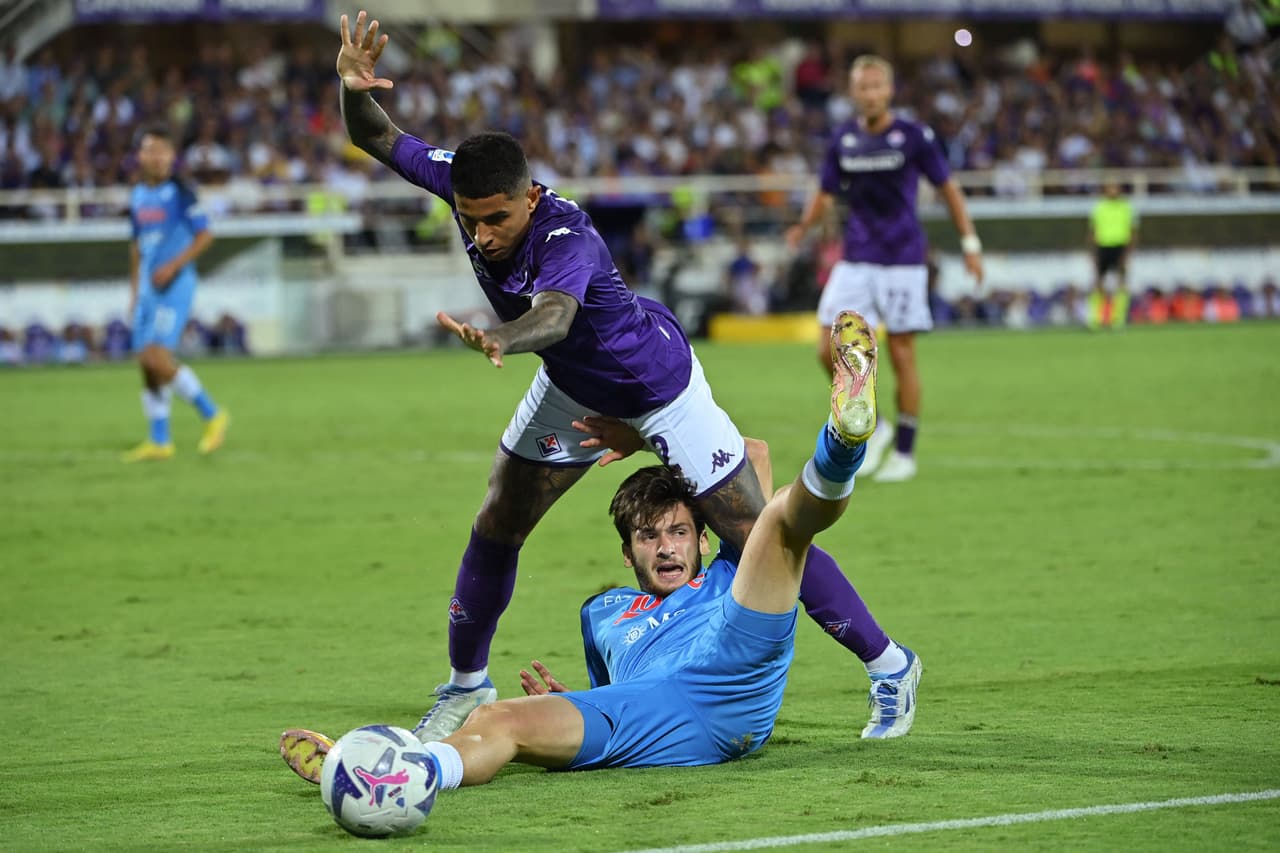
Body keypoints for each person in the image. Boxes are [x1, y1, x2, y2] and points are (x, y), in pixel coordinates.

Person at [334, 11, 919, 744]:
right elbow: (377, 136)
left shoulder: (564, 236)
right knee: (498, 516)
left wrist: (499, 338)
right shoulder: (465, 181)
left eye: (494, 219)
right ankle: (464, 684)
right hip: (576, 386)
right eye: (469, 218)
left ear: (530, 197)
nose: (480, 232)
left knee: (757, 537)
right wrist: (354, 86)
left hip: (657, 388)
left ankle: (891, 665)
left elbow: (552, 317)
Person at [281, 309, 920, 787]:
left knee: (777, 519)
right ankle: (387, 777)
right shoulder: (604, 612)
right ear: (627, 554)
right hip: (652, 714)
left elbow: (749, 456)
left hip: (731, 674)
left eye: (677, 532)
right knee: (503, 720)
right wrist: (570, 706)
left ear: (701, 537)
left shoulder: (725, 570)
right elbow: (612, 693)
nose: (667, 549)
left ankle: (844, 439)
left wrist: (647, 439)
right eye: (649, 537)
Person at [787, 55, 984, 484]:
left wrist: (970, 243)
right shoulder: (843, 140)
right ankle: (877, 423)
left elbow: (948, 189)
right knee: (826, 348)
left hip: (902, 261)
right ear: (853, 93)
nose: (870, 93)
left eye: (877, 86)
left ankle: (906, 453)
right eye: (863, 87)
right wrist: (803, 226)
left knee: (901, 354)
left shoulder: (913, 137)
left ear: (889, 90)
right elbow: (823, 193)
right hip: (856, 258)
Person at [121, 126, 229, 462]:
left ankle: (212, 414)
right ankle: (160, 440)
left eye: (163, 151)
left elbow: (205, 235)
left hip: (176, 284)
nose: (157, 157)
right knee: (145, 363)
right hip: (150, 289)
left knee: (157, 357)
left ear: (172, 157)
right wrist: (135, 290)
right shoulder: (138, 195)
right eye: (150, 151)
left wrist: (174, 266)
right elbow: (137, 247)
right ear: (140, 156)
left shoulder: (181, 192)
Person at [1086, 181, 1138, 331]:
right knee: (1098, 283)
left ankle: (1118, 319)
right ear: (1105, 190)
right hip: (1103, 246)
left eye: (1115, 188)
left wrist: (1128, 252)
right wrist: (1093, 252)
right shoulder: (1099, 207)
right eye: (1110, 188)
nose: (1112, 191)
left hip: (1120, 246)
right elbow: (1092, 231)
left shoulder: (1126, 207)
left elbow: (1133, 231)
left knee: (1121, 282)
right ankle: (1095, 319)